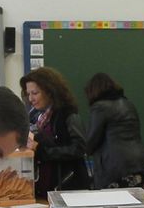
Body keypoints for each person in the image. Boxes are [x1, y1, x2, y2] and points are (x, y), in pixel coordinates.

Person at [20, 68, 92, 196]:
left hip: (67, 187)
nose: (30, 99)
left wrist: (40, 149)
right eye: (28, 94)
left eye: (35, 93)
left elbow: (79, 149)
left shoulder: (68, 115)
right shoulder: (34, 117)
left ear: (50, 91)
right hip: (43, 187)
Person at [83, 72, 144, 189]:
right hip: (142, 164)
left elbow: (90, 142)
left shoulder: (99, 107)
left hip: (116, 170)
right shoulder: (128, 104)